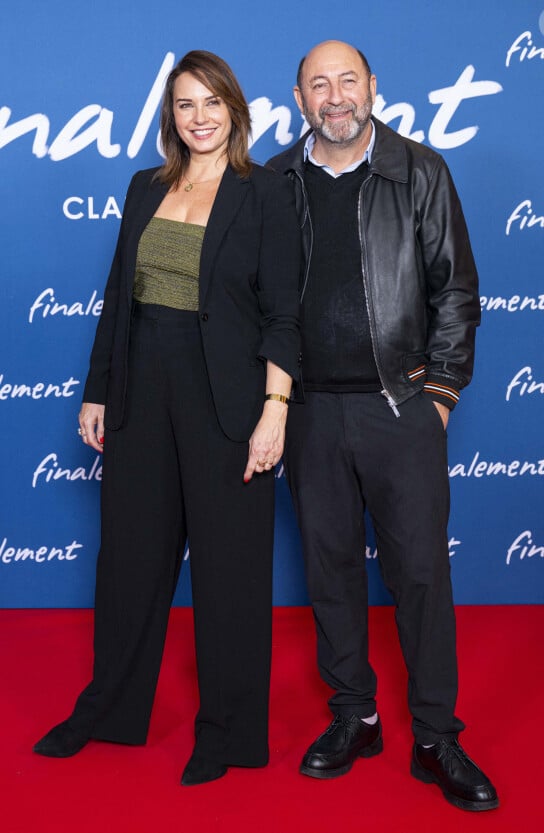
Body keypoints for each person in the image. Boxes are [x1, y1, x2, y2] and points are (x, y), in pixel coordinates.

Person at [33, 50, 301, 787]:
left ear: (235, 110)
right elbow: (121, 294)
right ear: (170, 116)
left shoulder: (266, 192)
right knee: (127, 560)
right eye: (186, 104)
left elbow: (284, 313)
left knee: (231, 570)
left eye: (212, 102)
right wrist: (98, 389)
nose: (201, 116)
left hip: (228, 395)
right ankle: (109, 709)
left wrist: (275, 410)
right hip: (141, 382)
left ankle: (228, 732)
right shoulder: (143, 187)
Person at [268, 40, 498, 811]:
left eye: (347, 81)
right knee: (329, 572)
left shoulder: (420, 170)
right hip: (309, 414)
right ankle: (355, 716)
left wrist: (439, 394)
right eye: (318, 85)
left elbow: (456, 290)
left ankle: (436, 735)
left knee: (422, 576)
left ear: (373, 87)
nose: (335, 97)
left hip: (401, 407)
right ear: (298, 99)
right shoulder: (275, 180)